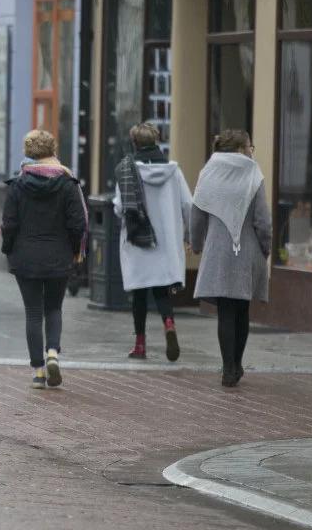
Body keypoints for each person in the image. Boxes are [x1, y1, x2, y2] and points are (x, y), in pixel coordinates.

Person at [1, 130, 86, 389]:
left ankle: (38, 371)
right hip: (58, 255)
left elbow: (9, 224)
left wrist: (8, 249)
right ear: (53, 150)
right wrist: (74, 250)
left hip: (25, 256)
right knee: (54, 308)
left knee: (33, 312)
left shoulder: (17, 185)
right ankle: (53, 353)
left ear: (27, 153)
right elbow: (78, 223)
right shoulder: (68, 184)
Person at [190, 129, 271, 388]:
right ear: (239, 148)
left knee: (225, 310)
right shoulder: (253, 173)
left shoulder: (208, 172)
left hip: (218, 250)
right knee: (241, 309)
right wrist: (265, 248)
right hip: (246, 251)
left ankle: (227, 369)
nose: (251, 150)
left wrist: (196, 242)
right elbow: (263, 220)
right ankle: (237, 363)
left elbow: (197, 211)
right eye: (249, 146)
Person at [114, 123, 193, 361]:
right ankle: (169, 323)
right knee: (162, 290)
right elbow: (188, 205)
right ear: (156, 142)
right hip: (166, 242)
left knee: (139, 295)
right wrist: (189, 235)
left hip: (139, 240)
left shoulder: (127, 171)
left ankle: (140, 344)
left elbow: (120, 207)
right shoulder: (174, 171)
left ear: (134, 143)